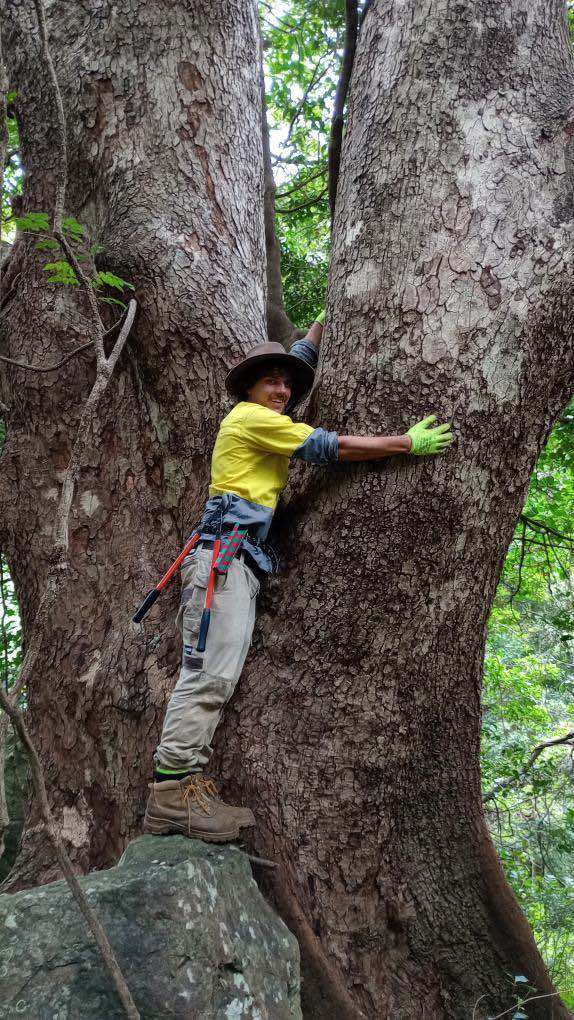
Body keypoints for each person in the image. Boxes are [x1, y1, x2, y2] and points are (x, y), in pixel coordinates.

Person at [143, 312, 453, 841]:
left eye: (287, 383)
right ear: (249, 387)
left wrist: (319, 328)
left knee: (216, 674)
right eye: (272, 381)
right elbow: (325, 449)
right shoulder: (249, 418)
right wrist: (405, 443)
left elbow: (298, 363)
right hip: (222, 561)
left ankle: (182, 787)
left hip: (235, 561)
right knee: (210, 677)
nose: (283, 390)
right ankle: (172, 795)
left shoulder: (263, 413)